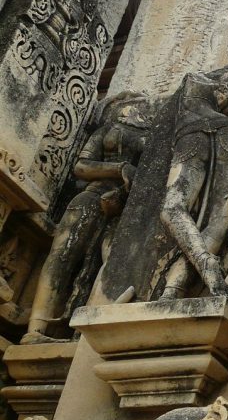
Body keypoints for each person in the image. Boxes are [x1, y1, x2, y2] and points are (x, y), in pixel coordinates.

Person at [22, 93, 150, 343]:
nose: (138, 106)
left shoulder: (156, 131)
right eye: (131, 103)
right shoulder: (107, 130)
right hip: (91, 197)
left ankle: (86, 332)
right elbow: (81, 167)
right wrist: (120, 168)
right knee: (63, 255)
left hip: (127, 205)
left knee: (113, 261)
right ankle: (35, 330)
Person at [159, 73, 228, 301]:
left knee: (172, 209)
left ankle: (204, 263)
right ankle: (175, 288)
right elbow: (221, 101)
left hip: (192, 135)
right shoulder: (210, 89)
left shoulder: (191, 83)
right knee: (216, 225)